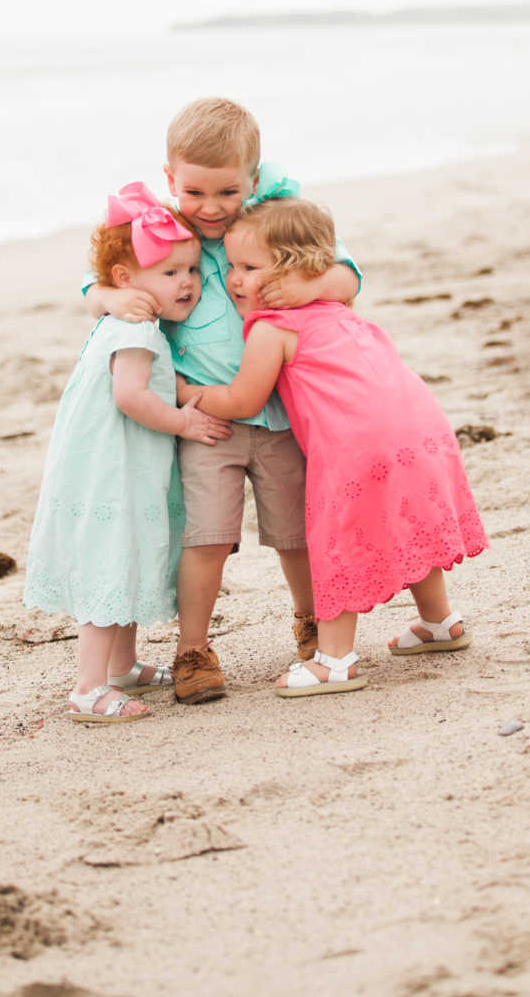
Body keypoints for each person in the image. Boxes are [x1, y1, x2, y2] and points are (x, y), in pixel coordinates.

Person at [82, 98, 361, 703]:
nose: (210, 208)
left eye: (228, 192)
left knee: (296, 534)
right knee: (205, 537)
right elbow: (107, 278)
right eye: (195, 192)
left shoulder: (275, 219)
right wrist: (104, 296)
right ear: (170, 180)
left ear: (253, 181)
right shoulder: (161, 231)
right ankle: (193, 649)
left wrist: (305, 283)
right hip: (208, 421)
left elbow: (347, 278)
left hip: (284, 413)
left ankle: (313, 627)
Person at [186, 197, 488, 696]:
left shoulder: (273, 327)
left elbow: (242, 399)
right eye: (232, 267)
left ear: (289, 272)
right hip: (420, 427)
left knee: (336, 542)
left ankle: (335, 660)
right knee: (409, 520)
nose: (233, 279)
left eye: (247, 268)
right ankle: (439, 621)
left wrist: (186, 393)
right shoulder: (339, 309)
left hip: (355, 447)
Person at [24, 183, 231, 724]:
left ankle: (123, 666)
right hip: (111, 468)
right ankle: (89, 688)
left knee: (126, 558)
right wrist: (184, 421)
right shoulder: (136, 329)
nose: (186, 282)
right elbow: (130, 396)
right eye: (169, 273)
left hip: (117, 463)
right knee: (109, 567)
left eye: (191, 270)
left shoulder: (130, 321)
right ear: (125, 281)